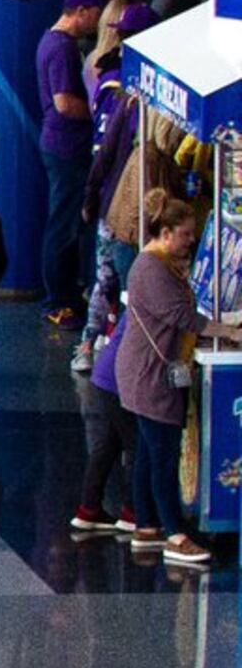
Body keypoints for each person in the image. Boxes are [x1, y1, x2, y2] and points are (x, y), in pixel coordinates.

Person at [108, 189, 208, 570]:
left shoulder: (153, 264)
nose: (190, 241)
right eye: (184, 234)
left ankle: (146, 525)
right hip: (150, 377)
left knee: (149, 453)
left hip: (142, 372)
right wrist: (230, 332)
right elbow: (183, 318)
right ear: (165, 232)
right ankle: (174, 533)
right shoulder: (151, 268)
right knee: (163, 453)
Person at [35, 0, 106, 324]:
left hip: (61, 145)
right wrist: (99, 112)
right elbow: (64, 103)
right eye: (96, 13)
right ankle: (56, 301)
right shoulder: (62, 48)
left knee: (67, 221)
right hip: (66, 146)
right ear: (81, 12)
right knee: (63, 224)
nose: (98, 21)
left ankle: (62, 294)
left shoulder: (54, 41)